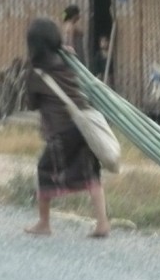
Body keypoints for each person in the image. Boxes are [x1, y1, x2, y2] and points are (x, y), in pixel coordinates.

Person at [23, 17, 110, 238]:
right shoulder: (70, 61)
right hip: (83, 126)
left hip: (60, 131)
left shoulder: (36, 72)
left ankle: (44, 223)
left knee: (44, 170)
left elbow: (31, 103)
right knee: (91, 174)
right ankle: (102, 223)